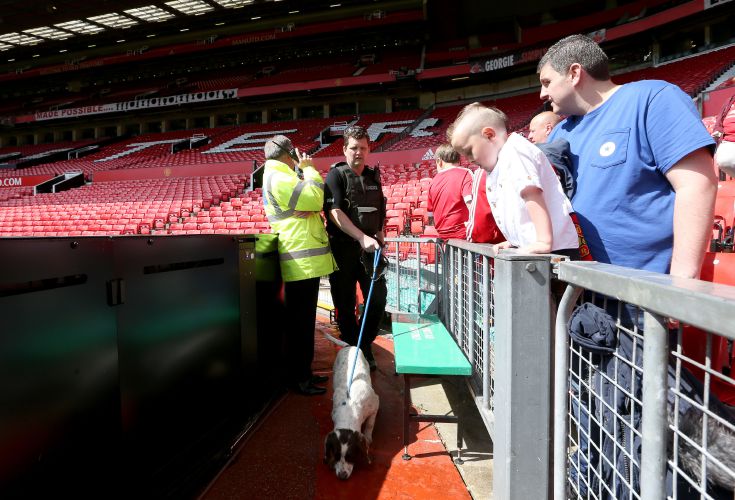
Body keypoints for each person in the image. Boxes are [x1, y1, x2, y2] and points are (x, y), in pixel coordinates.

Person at [538, 34, 717, 278]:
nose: (542, 94)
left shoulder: (652, 98)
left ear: (574, 73)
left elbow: (696, 184)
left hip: (645, 298)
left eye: (547, 82)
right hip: (579, 292)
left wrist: (682, 282)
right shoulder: (560, 131)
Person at [449, 103, 581, 257]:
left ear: (489, 135)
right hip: (541, 246)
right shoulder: (502, 160)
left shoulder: (515, 152)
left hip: (555, 247)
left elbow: (532, 194)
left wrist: (543, 241)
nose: (468, 159)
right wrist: (515, 240)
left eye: (469, 151)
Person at [263, 135, 337, 396]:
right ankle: (300, 378)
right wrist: (308, 169)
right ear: (288, 154)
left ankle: (303, 373)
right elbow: (317, 199)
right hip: (301, 259)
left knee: (303, 323)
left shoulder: (278, 174)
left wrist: (308, 195)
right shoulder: (281, 175)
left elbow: (311, 200)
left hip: (302, 259)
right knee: (300, 325)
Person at [324, 125, 387, 371]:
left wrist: (380, 236)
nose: (358, 152)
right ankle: (354, 348)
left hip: (372, 249)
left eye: (363, 147)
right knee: (344, 301)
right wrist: (361, 237)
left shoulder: (374, 176)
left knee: (378, 299)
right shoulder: (335, 175)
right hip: (343, 249)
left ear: (369, 149)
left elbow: (380, 211)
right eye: (353, 148)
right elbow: (335, 212)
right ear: (344, 149)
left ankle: (365, 343)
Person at [427, 144, 473, 240]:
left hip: (443, 238)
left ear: (439, 161)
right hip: (464, 237)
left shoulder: (433, 181)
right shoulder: (465, 173)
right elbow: (472, 204)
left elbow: (430, 215)